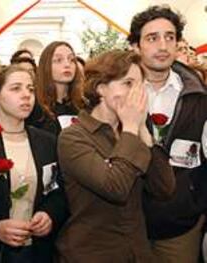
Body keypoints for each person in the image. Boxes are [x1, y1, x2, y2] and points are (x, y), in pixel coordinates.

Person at [56, 50, 176, 262]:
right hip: (93, 253)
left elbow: (164, 188)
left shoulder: (132, 130)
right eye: (128, 83)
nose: (137, 93)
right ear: (101, 88)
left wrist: (144, 134)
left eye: (140, 85)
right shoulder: (73, 137)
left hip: (137, 251)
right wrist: (130, 128)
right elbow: (115, 188)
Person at [128, 6, 207, 263]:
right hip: (127, 226)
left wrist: (195, 202)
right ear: (135, 46)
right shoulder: (117, 94)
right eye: (152, 38)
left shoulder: (198, 97)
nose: (162, 45)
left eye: (170, 37)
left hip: (181, 225)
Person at [0, 65, 68, 263]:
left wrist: (49, 214)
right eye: (16, 88)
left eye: (30, 89)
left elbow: (59, 192)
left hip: (38, 252)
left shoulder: (47, 142)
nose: (26, 95)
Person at [27, 41, 83, 135]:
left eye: (71, 60)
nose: (67, 65)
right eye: (58, 60)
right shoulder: (33, 105)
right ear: (46, 66)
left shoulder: (82, 105)